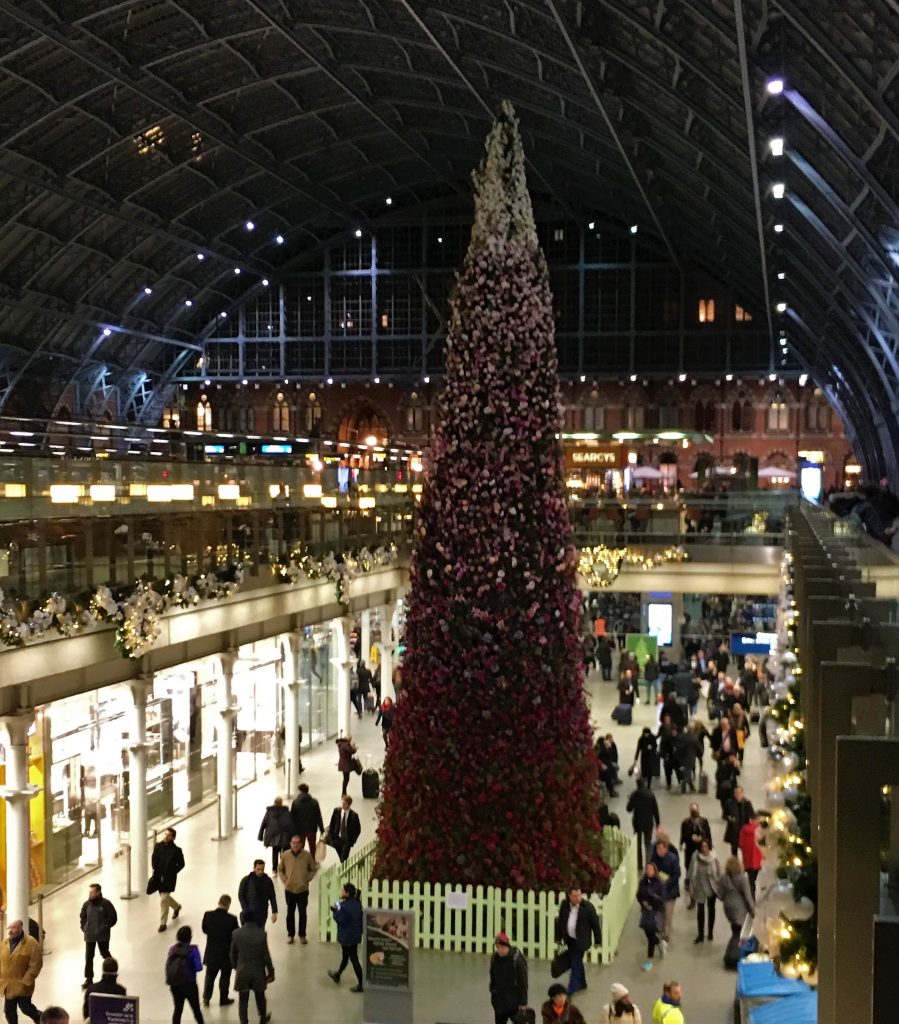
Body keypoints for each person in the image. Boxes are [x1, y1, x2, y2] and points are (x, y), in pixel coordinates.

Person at [554, 888, 600, 997]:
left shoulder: (588, 907)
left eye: (579, 895)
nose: (578, 898)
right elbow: (561, 922)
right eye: (575, 896)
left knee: (575, 963)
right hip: (570, 939)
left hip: (581, 941)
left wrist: (598, 940)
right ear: (569, 896)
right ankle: (582, 983)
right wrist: (559, 938)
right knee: (577, 962)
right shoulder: (565, 905)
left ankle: (571, 989)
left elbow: (595, 924)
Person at [230, 913, 274, 1024]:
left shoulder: (236, 934)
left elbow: (232, 954)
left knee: (243, 1000)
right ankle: (263, 1018)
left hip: (242, 971)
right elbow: (266, 956)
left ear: (242, 920)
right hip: (258, 971)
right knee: (260, 997)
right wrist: (271, 972)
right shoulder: (261, 934)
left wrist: (237, 967)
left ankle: (244, 1021)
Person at [277, 835, 318, 945]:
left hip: (303, 890)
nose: (295, 845)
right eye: (293, 842)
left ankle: (302, 935)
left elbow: (313, 869)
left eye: (297, 842)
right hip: (290, 889)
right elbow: (280, 869)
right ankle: (290, 935)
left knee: (302, 913)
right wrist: (284, 879)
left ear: (301, 844)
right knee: (290, 913)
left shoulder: (307, 855)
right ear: (290, 843)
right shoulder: (285, 855)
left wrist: (307, 879)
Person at [0, 919, 42, 1024]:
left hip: (23, 984)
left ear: (20, 928)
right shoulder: (4, 943)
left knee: (26, 1008)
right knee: (9, 1011)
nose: (12, 930)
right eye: (11, 927)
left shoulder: (32, 943)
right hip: (8, 985)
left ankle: (41, 1018)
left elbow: (36, 964)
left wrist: (26, 980)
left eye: (14, 927)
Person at [200, 895, 238, 1007]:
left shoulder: (208, 915)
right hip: (226, 954)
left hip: (211, 953)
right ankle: (223, 998)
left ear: (219, 902)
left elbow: (204, 929)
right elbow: (235, 935)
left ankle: (206, 998)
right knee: (225, 977)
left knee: (210, 976)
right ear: (228, 905)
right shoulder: (232, 919)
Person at [327, 883, 364, 993]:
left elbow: (342, 921)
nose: (341, 891)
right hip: (355, 935)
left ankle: (361, 984)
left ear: (347, 893)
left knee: (353, 959)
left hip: (347, 937)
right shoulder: (357, 903)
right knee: (346, 957)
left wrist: (335, 912)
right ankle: (337, 974)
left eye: (342, 890)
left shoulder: (343, 906)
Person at [714, 857, 755, 953]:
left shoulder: (723, 877)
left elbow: (719, 893)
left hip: (728, 907)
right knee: (740, 932)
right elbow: (748, 897)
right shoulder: (742, 878)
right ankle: (735, 953)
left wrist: (726, 898)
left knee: (735, 929)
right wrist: (753, 910)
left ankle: (734, 952)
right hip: (740, 908)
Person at [79, 884, 117, 989]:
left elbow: (113, 917)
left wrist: (105, 926)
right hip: (90, 936)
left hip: (102, 935)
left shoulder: (106, 904)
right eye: (89, 892)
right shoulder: (86, 905)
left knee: (104, 953)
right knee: (89, 957)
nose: (90, 894)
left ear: (98, 892)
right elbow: (82, 917)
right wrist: (84, 928)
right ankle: (89, 979)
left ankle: (112, 970)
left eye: (92, 892)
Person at [165, 925, 204, 1024]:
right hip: (190, 984)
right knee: (196, 1009)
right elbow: (199, 967)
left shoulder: (172, 949)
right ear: (190, 937)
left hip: (175, 985)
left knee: (178, 1010)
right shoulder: (193, 950)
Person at [151, 827, 185, 933]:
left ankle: (163, 923)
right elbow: (154, 859)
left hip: (169, 878)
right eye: (165, 834)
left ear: (173, 837)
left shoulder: (176, 850)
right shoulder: (158, 846)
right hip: (158, 877)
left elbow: (181, 864)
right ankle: (177, 907)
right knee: (164, 898)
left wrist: (172, 872)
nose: (166, 836)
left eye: (168, 835)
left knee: (163, 900)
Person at [488, 931, 528, 1024]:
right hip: (499, 1003)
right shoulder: (494, 958)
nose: (500, 950)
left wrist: (523, 1002)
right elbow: (493, 977)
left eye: (502, 947)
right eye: (498, 947)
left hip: (515, 1002)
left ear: (508, 946)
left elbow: (523, 981)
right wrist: (493, 993)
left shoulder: (516, 959)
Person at [686, 839, 720, 944]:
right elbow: (691, 874)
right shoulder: (695, 857)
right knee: (700, 912)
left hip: (712, 887)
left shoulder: (714, 858)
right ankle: (700, 935)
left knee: (711, 910)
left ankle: (710, 932)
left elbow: (719, 872)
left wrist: (719, 885)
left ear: (709, 847)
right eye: (702, 846)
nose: (704, 848)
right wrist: (690, 888)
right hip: (700, 886)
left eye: (706, 846)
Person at [649, 839, 680, 943]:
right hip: (658, 891)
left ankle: (666, 935)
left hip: (670, 891)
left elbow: (677, 874)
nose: (660, 851)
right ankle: (661, 930)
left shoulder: (673, 859)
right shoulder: (654, 859)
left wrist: (667, 881)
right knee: (659, 913)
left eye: (662, 848)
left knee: (668, 914)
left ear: (666, 848)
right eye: (658, 848)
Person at [626, 778, 660, 870]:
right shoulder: (650, 794)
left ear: (637, 784)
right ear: (644, 783)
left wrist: (630, 800)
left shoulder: (634, 794)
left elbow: (628, 809)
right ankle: (648, 864)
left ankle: (639, 864)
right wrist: (658, 823)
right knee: (648, 844)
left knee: (638, 844)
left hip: (637, 822)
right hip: (648, 822)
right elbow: (655, 810)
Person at [636, 864, 665, 972]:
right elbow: (638, 895)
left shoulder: (659, 883)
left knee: (651, 934)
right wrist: (643, 903)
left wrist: (653, 897)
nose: (648, 871)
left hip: (656, 912)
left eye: (650, 869)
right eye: (646, 869)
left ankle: (649, 960)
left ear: (654, 870)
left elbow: (662, 898)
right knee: (648, 934)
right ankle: (659, 944)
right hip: (646, 911)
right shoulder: (642, 882)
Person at [256, 797, 294, 874]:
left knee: (275, 852)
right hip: (283, 835)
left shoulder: (269, 812)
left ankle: (274, 869)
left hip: (273, 836)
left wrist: (260, 835)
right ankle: (283, 868)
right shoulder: (285, 812)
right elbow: (290, 824)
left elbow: (264, 823)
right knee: (284, 852)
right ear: (281, 803)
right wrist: (293, 835)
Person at [238, 862, 278, 929]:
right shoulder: (246, 880)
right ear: (254, 868)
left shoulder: (268, 881)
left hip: (262, 913)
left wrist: (274, 912)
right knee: (248, 932)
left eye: (262, 869)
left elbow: (272, 896)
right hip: (248, 913)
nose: (260, 871)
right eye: (258, 869)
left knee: (260, 932)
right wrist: (245, 909)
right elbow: (241, 895)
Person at [289, 784, 324, 857]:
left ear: (300, 791)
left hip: (300, 829)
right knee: (312, 846)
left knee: (300, 846)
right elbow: (318, 816)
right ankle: (312, 861)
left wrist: (292, 830)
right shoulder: (314, 802)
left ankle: (300, 861)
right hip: (312, 828)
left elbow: (293, 817)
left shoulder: (295, 802)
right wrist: (321, 829)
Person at [679, 804, 712, 877]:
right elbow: (683, 835)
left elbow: (708, 834)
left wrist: (709, 845)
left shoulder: (704, 821)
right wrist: (689, 838)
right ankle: (688, 879)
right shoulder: (685, 822)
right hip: (690, 847)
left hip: (701, 847)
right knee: (688, 864)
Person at [328, 796, 361, 864]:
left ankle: (343, 870)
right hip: (337, 838)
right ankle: (344, 868)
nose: (342, 805)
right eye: (342, 803)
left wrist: (353, 840)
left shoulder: (354, 815)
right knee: (341, 857)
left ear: (349, 804)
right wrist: (332, 836)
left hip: (347, 840)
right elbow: (332, 824)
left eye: (344, 804)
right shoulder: (336, 811)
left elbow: (358, 829)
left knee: (344, 858)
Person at [724, 787, 755, 856]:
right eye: (736, 793)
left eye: (739, 793)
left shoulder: (747, 803)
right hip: (734, 830)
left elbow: (752, 815)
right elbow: (725, 814)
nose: (737, 795)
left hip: (744, 829)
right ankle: (735, 863)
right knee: (734, 849)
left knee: (745, 849)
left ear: (742, 793)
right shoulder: (730, 803)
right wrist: (729, 818)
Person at [737, 816, 764, 897]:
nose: (759, 821)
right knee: (754, 880)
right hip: (758, 860)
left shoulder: (744, 830)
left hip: (747, 860)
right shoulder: (759, 830)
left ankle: (751, 898)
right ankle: (753, 898)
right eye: (758, 820)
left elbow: (741, 844)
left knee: (750, 881)